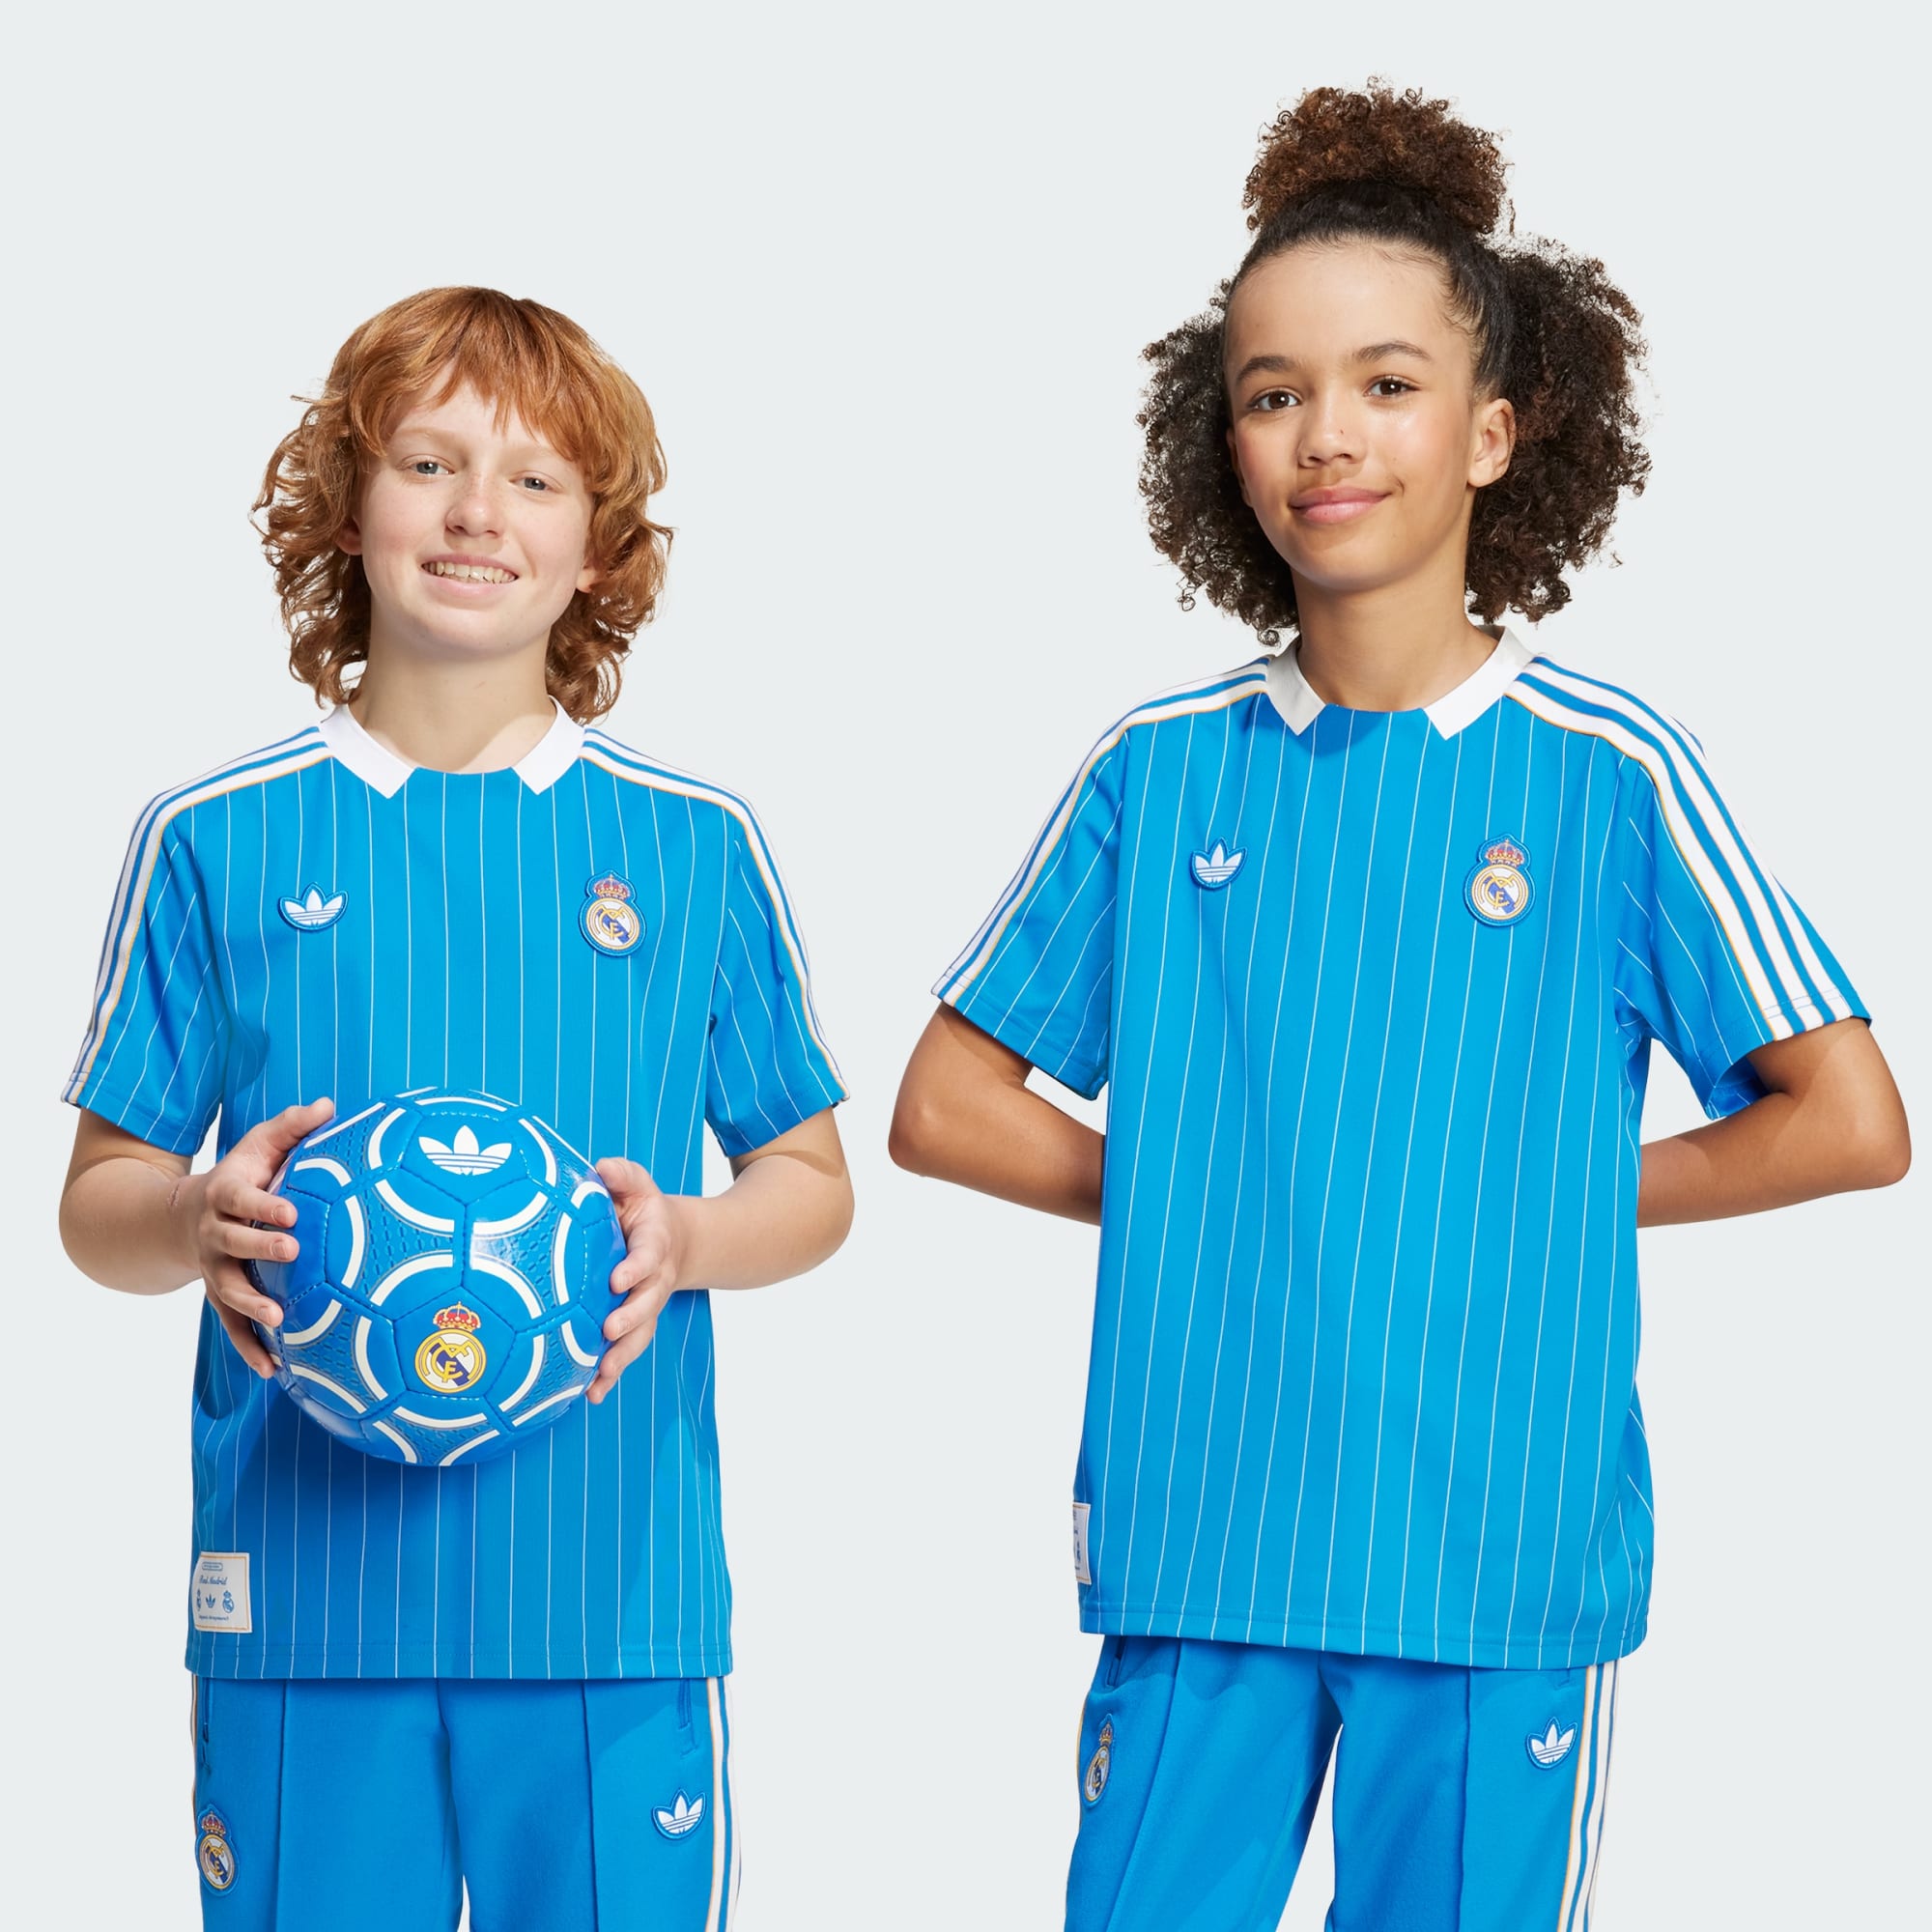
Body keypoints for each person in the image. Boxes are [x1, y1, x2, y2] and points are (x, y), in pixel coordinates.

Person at [890, 84, 1908, 1931]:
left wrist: (1547, 1194)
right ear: (1223, 443)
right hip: (1204, 1539)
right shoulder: (1161, 769)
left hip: (1491, 1554)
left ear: (1495, 432)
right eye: (1273, 393)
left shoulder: (1606, 774)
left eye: (1386, 383)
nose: (1327, 435)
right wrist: (1223, 1195)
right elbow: (943, 1105)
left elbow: (1848, 1119)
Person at [58, 287, 852, 1931]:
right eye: (428, 464)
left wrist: (691, 1238)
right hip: (306, 1608)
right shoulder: (217, 836)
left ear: (599, 551)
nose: (479, 512)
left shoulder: (692, 844)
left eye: (536, 479)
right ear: (347, 509)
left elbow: (811, 1176)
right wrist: (192, 1216)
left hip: (606, 1603)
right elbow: (97, 1204)